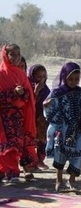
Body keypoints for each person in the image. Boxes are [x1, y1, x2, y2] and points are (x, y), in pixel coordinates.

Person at [44, 62, 81, 192]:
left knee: (79, 152)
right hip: (61, 129)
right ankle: (59, 179)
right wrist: (48, 106)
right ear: (64, 77)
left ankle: (72, 179)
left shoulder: (80, 92)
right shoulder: (57, 93)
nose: (74, 82)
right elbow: (48, 111)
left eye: (76, 79)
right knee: (60, 153)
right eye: (70, 79)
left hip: (77, 129)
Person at [0, 44, 37, 182]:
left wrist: (22, 94)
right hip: (4, 117)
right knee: (8, 144)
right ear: (5, 55)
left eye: (18, 54)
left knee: (17, 143)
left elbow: (29, 96)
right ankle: (11, 172)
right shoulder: (1, 74)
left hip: (19, 117)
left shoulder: (21, 74)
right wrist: (13, 93)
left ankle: (9, 171)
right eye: (12, 54)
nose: (16, 58)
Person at [27, 64, 51, 171]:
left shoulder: (46, 90)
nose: (41, 80)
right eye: (38, 77)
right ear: (32, 76)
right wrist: (35, 92)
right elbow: (28, 103)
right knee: (31, 140)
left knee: (42, 140)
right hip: (30, 117)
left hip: (42, 119)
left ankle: (40, 160)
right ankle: (30, 162)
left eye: (43, 77)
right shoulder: (27, 87)